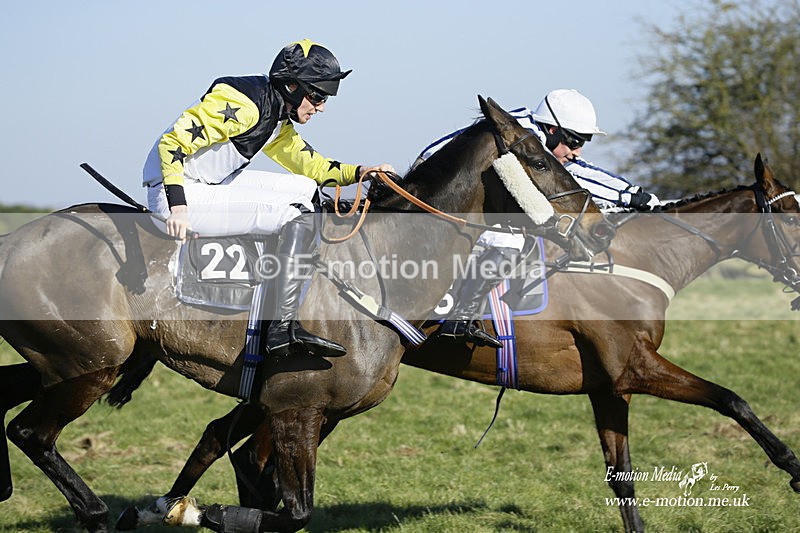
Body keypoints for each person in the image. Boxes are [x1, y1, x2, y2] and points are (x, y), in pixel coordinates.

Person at [142, 39, 394, 359]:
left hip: (207, 183)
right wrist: (178, 207)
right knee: (293, 216)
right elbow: (171, 143)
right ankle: (280, 327)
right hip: (177, 194)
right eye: (316, 96)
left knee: (304, 189)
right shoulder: (244, 106)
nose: (321, 106)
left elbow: (311, 166)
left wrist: (361, 172)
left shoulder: (277, 114)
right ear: (292, 86)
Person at [414, 89, 660, 347]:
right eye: (575, 141)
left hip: (449, 196)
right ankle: (460, 317)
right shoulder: (525, 138)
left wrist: (631, 194)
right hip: (441, 201)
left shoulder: (532, 129)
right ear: (552, 129)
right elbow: (577, 176)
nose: (578, 151)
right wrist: (632, 195)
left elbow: (572, 174)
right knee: (509, 242)